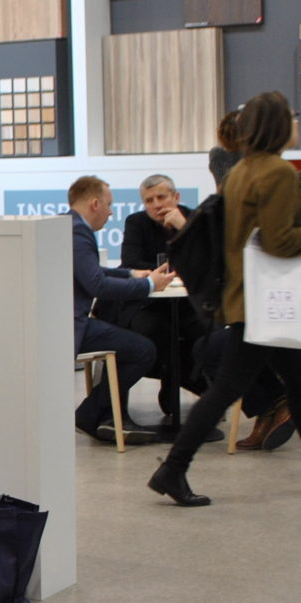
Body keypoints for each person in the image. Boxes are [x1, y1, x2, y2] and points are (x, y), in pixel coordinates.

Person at [146, 91, 301, 507]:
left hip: (253, 300)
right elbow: (278, 240)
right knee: (228, 390)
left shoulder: (243, 172)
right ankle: (172, 470)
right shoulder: (277, 173)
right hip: (266, 304)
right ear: (277, 125)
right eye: (292, 116)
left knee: (298, 386)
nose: (297, 123)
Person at [69, 176, 173, 445]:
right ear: (95, 204)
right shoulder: (78, 233)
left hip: (69, 321)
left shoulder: (67, 226)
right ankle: (90, 413)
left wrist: (131, 274)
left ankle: (97, 414)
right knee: (143, 350)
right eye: (108, 205)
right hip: (72, 326)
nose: (111, 212)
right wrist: (149, 285)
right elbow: (97, 285)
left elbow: (91, 272)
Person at [109, 173, 213, 431]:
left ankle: (193, 387)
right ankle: (175, 383)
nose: (156, 204)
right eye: (149, 200)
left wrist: (183, 228)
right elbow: (131, 262)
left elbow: (209, 260)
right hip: (149, 303)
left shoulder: (193, 218)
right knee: (155, 330)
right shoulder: (136, 223)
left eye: (161, 197)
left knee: (204, 331)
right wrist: (177, 270)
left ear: (176, 197)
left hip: (187, 303)